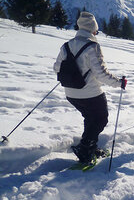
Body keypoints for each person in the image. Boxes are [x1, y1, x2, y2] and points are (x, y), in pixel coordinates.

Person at [54, 11, 126, 163]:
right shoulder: (92, 46)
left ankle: (89, 146)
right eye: (96, 30)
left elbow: (56, 68)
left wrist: (73, 74)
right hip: (90, 93)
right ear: (93, 29)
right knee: (101, 119)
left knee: (90, 118)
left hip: (71, 93)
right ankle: (85, 150)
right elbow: (101, 74)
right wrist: (119, 83)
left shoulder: (66, 46)